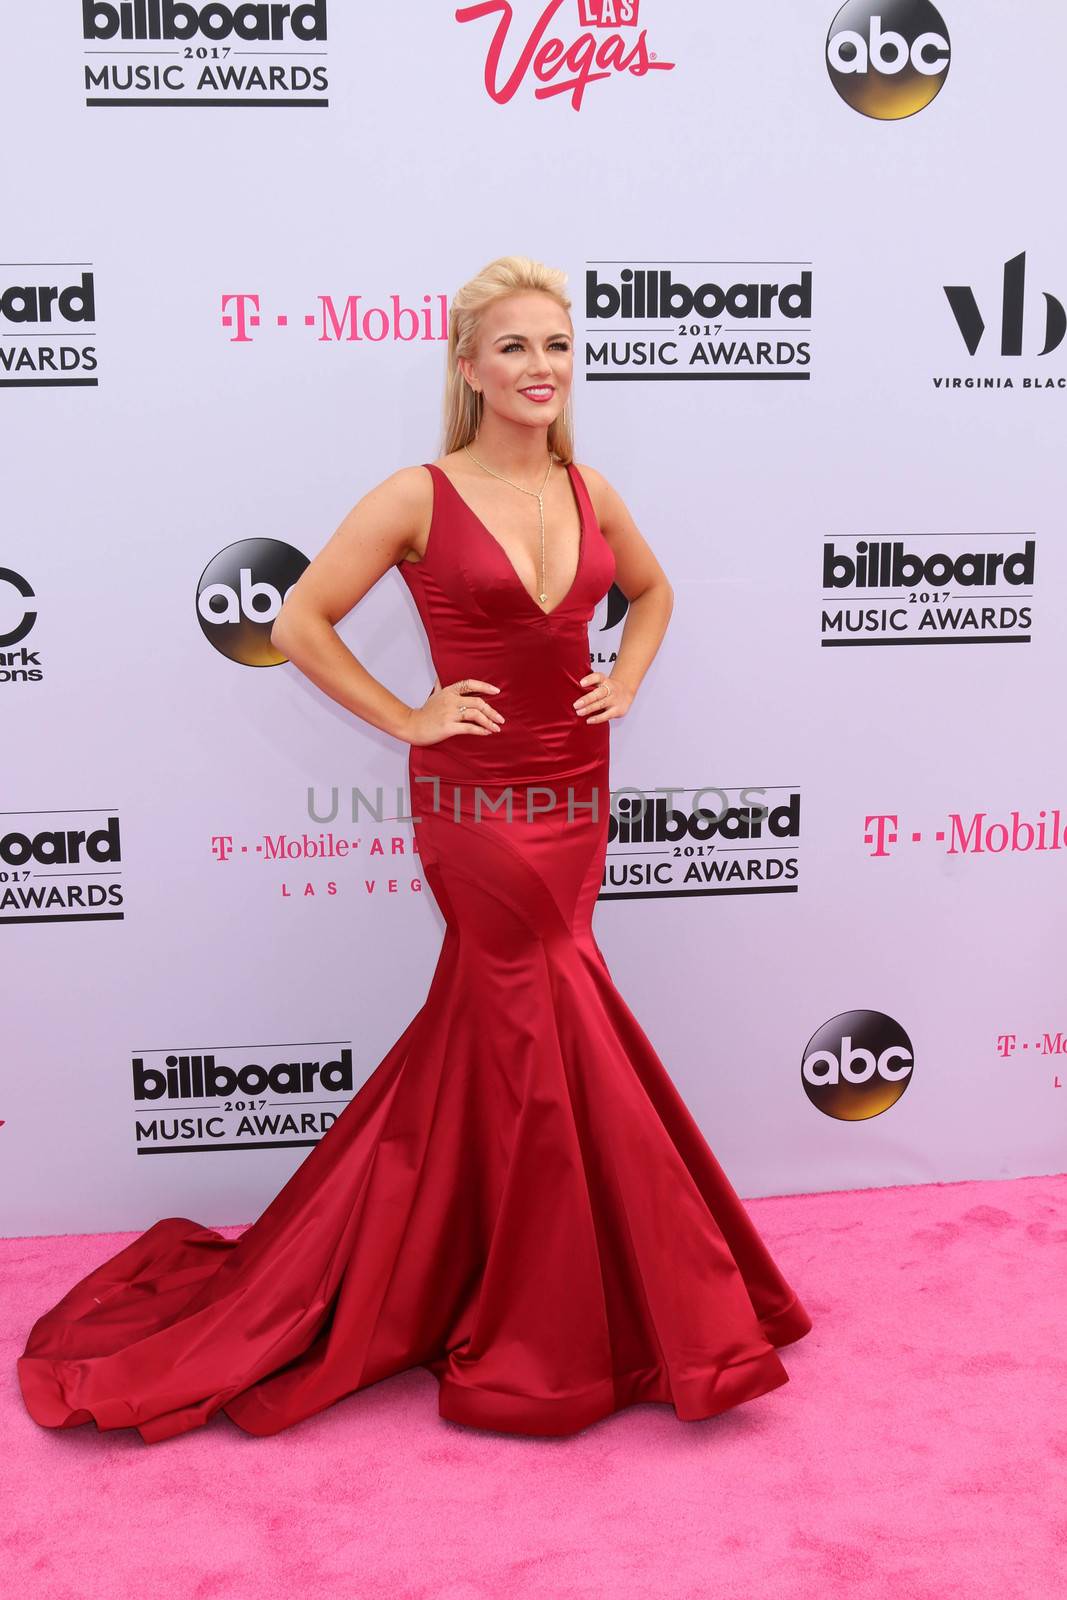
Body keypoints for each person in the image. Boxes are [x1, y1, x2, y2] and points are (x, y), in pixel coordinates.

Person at [17, 255, 812, 1443]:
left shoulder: (593, 491)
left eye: (556, 345)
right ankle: (574, 1323)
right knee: (546, 1001)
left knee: (504, 1033)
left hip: (574, 792)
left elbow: (649, 595)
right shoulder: (416, 493)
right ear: (467, 366)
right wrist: (408, 714)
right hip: (475, 803)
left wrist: (625, 679)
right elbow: (297, 619)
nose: (540, 367)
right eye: (514, 348)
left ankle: (465, 1260)